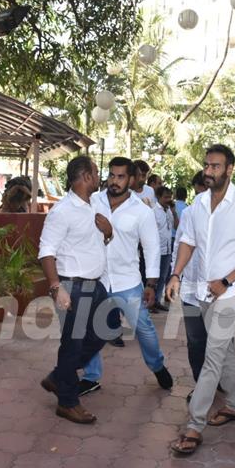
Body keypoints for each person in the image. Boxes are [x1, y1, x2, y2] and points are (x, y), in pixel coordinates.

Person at [165, 144, 235, 455]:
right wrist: (176, 274)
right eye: (207, 166)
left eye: (216, 166)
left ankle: (195, 425)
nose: (209, 171)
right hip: (201, 291)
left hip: (231, 294)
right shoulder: (198, 203)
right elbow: (188, 240)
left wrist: (227, 281)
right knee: (222, 355)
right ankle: (234, 404)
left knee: (212, 357)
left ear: (230, 169)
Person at [78, 157, 173, 395]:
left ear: (131, 179)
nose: (114, 181)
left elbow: (151, 248)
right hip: (95, 277)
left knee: (144, 328)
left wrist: (151, 284)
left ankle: (157, 365)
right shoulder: (92, 201)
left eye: (121, 177)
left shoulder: (142, 211)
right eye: (111, 175)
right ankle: (91, 377)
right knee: (89, 328)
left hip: (127, 280)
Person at [37, 155, 113, 424]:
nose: (99, 175)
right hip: (73, 286)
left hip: (95, 285)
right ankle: (67, 402)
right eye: (95, 171)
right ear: (86, 177)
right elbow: (46, 251)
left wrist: (108, 231)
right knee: (73, 344)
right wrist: (57, 288)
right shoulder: (63, 211)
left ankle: (60, 376)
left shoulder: (93, 204)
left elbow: (93, 243)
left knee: (110, 328)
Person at [172, 171, 208, 397]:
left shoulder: (231, 213)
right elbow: (179, 244)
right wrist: (175, 275)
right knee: (196, 340)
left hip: (221, 289)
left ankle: (215, 381)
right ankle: (201, 384)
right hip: (192, 288)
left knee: (221, 342)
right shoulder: (190, 213)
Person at [153, 186, 178, 310]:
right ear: (158, 197)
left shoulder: (168, 210)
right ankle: (151, 301)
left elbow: (175, 226)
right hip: (157, 249)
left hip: (167, 249)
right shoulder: (154, 211)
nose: (168, 200)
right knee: (154, 277)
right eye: (165, 197)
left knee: (163, 277)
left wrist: (173, 211)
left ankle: (157, 300)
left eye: (170, 197)